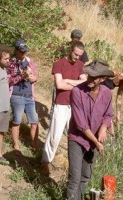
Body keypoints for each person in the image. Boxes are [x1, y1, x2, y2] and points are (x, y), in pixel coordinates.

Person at [66, 59, 114, 200]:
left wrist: (104, 126)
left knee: (86, 176)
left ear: (102, 79)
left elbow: (108, 114)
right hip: (77, 139)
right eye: (89, 76)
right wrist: (96, 142)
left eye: (94, 77)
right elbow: (80, 124)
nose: (90, 80)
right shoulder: (77, 92)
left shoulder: (107, 93)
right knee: (75, 176)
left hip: (93, 142)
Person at [41, 41, 87, 175]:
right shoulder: (59, 64)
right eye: (75, 54)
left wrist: (68, 81)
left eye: (80, 55)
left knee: (74, 136)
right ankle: (46, 161)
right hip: (61, 104)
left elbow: (85, 83)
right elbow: (59, 85)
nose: (77, 57)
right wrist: (76, 86)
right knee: (55, 135)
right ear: (70, 50)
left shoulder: (81, 65)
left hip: (75, 105)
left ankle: (73, 167)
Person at [7, 39, 39, 155]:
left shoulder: (30, 61)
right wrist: (21, 76)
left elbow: (36, 75)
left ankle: (34, 145)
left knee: (34, 121)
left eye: (25, 51)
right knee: (17, 121)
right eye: (21, 51)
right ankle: (16, 145)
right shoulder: (11, 63)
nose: (24, 54)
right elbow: (9, 80)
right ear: (16, 51)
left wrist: (33, 78)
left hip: (30, 96)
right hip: (17, 95)